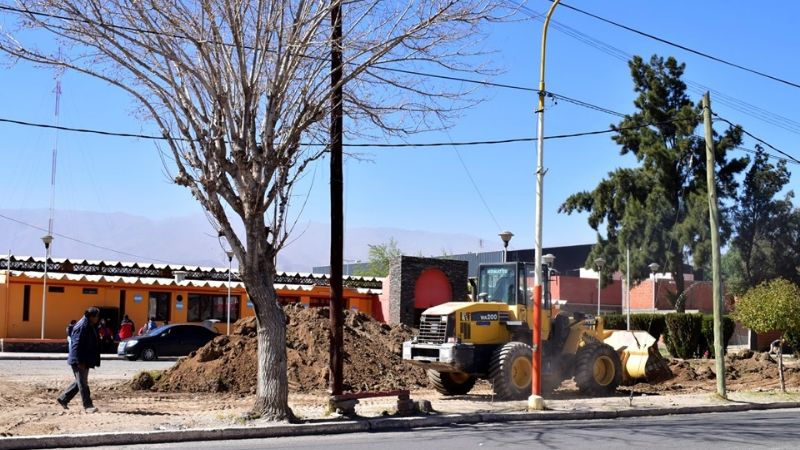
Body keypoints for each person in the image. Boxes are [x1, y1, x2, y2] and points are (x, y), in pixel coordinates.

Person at [57, 307, 101, 413]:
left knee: (80, 382)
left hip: (85, 358)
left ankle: (63, 398)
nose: (97, 318)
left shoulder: (89, 325)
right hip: (79, 360)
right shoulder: (82, 326)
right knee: (83, 383)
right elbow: (77, 345)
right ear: (91, 316)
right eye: (96, 316)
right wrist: (79, 361)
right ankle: (88, 406)